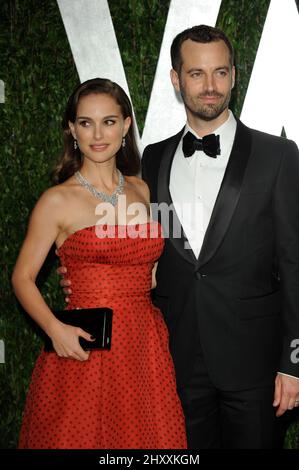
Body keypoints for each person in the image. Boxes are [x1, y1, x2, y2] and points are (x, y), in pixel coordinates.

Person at [58, 27, 299, 449]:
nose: (210, 87)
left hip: (255, 366)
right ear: (175, 79)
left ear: (234, 76)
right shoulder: (154, 157)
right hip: (174, 360)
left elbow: (296, 262)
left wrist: (294, 363)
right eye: (196, 74)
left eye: (220, 73)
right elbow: (145, 249)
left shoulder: (278, 155)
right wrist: (83, 277)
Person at [12, 78, 186, 449]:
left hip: (144, 342)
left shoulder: (142, 189)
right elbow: (22, 278)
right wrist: (55, 330)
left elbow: (150, 272)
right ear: (72, 130)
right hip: (87, 345)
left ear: (125, 126)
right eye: (86, 123)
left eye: (108, 121)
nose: (97, 134)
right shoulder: (57, 201)